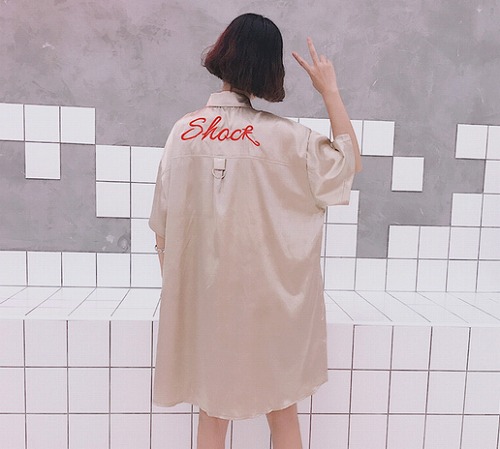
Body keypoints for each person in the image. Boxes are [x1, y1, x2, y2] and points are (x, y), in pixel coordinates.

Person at [149, 13, 362, 449]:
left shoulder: (182, 133)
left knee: (211, 419)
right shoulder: (290, 139)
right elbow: (347, 166)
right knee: (282, 414)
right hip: (271, 308)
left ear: (222, 55)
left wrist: (186, 295)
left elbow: (162, 229)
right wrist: (330, 92)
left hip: (207, 306)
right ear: (270, 68)